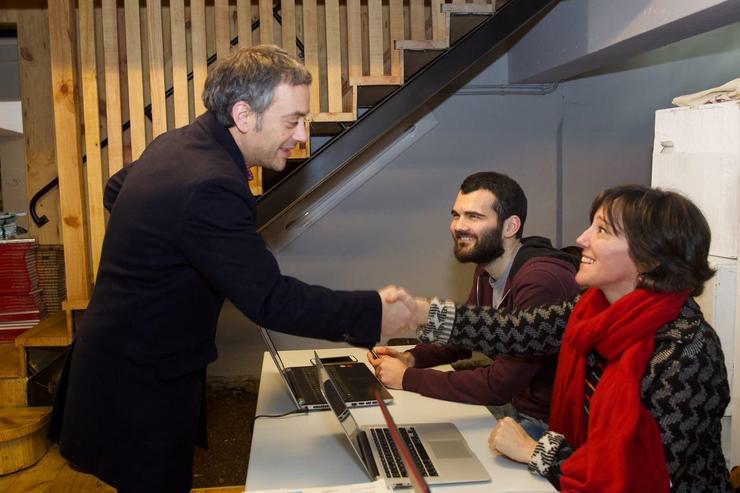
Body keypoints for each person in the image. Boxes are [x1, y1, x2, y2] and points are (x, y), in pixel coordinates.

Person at [48, 45, 415, 493]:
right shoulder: (210, 183)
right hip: (138, 387)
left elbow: (116, 188)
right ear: (244, 115)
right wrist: (375, 312)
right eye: (292, 120)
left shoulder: (180, 144)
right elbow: (271, 300)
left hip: (121, 365)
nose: (302, 135)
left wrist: (176, 250)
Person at [414, 185, 731, 492]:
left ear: (651, 259)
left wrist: (536, 450)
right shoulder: (592, 309)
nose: (582, 239)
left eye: (602, 231)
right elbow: (514, 330)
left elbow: (643, 473)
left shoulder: (688, 350)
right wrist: (420, 315)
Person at [368, 172, 580, 439]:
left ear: (510, 227)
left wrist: (406, 378)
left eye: (474, 217)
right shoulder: (487, 268)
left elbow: (498, 385)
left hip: (547, 425)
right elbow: (464, 340)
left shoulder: (542, 280)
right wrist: (412, 358)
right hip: (514, 406)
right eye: (456, 215)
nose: (458, 226)